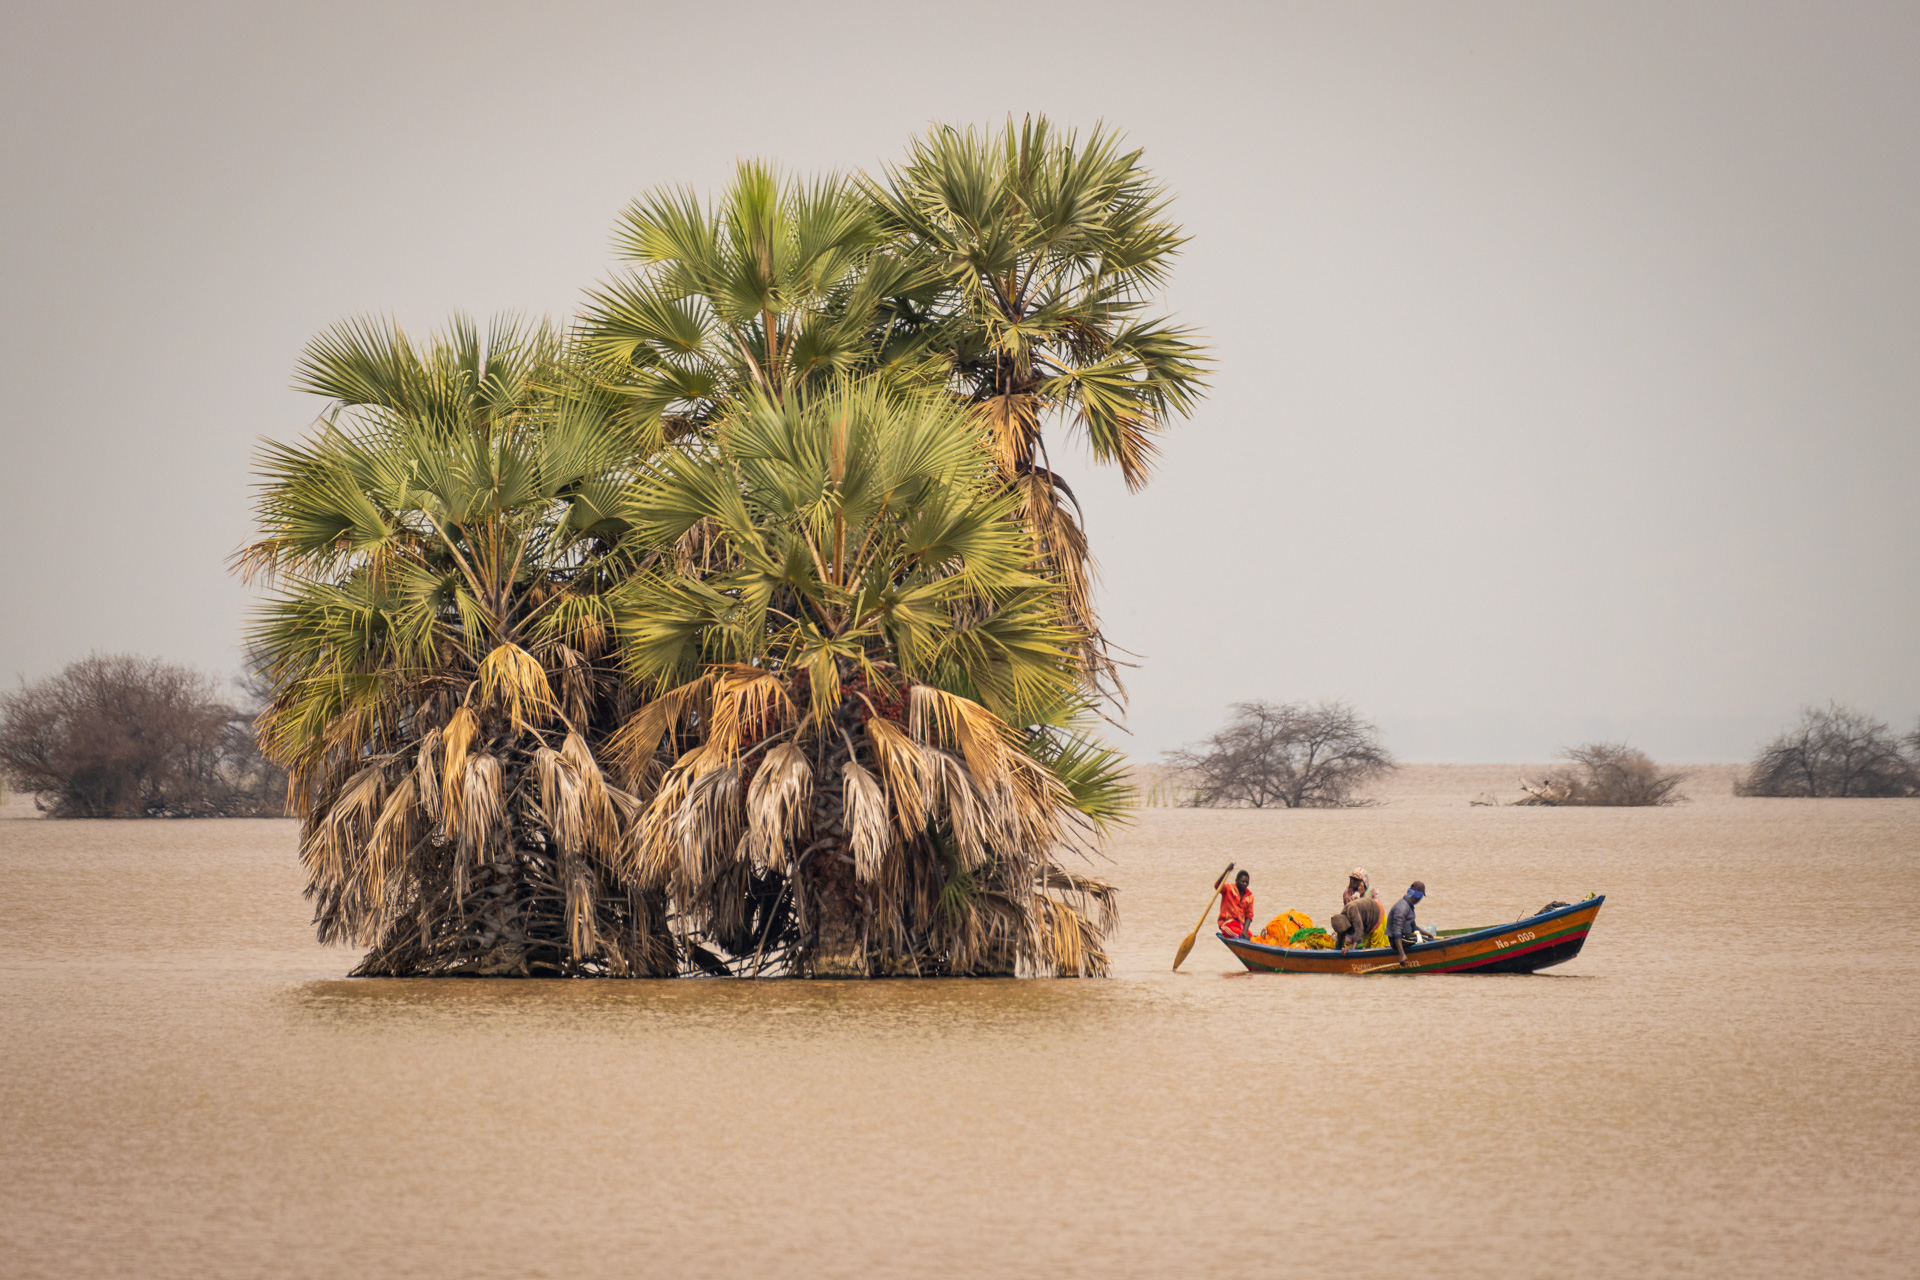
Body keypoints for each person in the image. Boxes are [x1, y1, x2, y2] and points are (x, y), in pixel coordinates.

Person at [1387, 881, 1437, 965]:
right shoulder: (1402, 908)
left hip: (1406, 937)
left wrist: (1427, 934)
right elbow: (1397, 932)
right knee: (1427, 941)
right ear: (1419, 896)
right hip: (1399, 940)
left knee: (1429, 939)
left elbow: (1413, 927)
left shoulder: (1409, 906)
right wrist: (1402, 954)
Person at [1217, 870, 1254, 939]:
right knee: (1243, 937)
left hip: (1240, 925)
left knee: (1251, 937)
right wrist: (1226, 870)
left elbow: (1249, 915)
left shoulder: (1249, 896)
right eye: (1242, 881)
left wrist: (1245, 932)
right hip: (1227, 924)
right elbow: (1217, 886)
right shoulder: (1229, 888)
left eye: (1247, 882)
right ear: (1236, 880)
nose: (1245, 884)